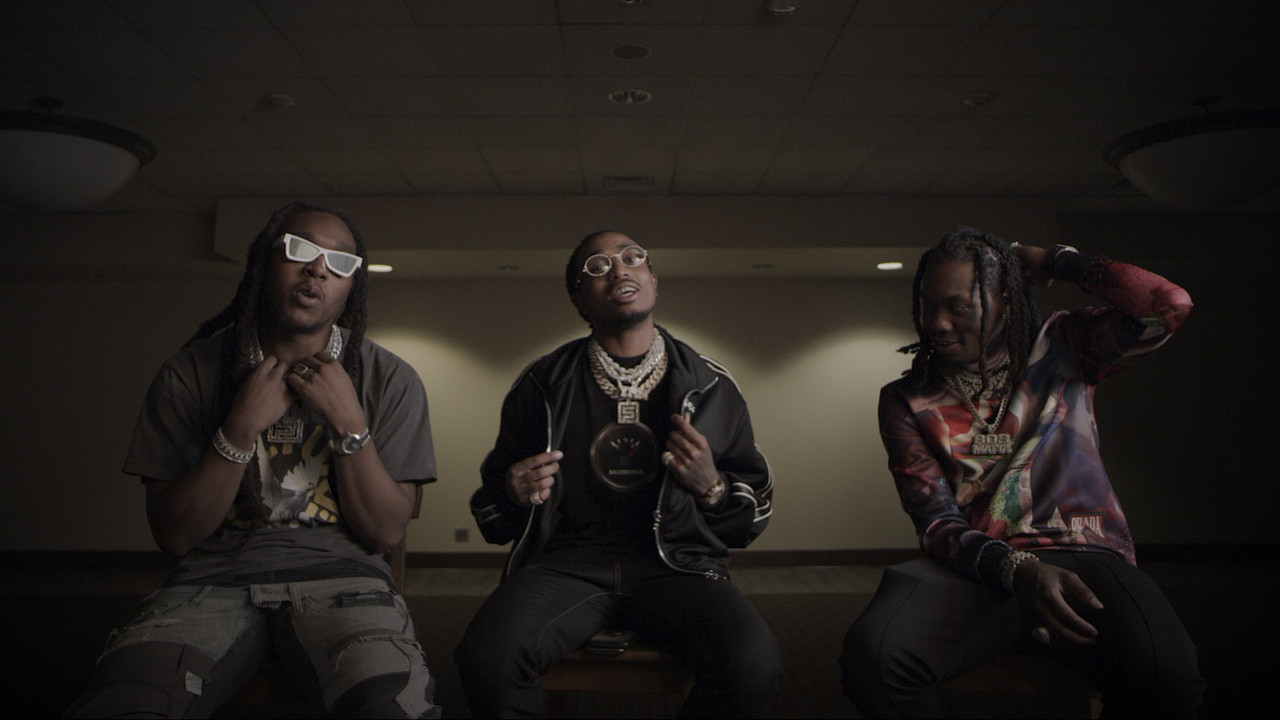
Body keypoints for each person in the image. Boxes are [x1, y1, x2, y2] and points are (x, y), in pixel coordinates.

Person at [65, 202, 441, 719]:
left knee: (392, 707)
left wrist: (350, 424)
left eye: (340, 262)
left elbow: (385, 532)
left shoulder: (389, 379)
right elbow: (175, 535)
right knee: (126, 704)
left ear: (351, 286)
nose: (318, 269)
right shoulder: (190, 373)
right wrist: (238, 429)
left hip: (345, 584)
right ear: (265, 260)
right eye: (301, 250)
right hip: (208, 586)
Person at [840, 227, 1204, 717]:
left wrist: (1056, 261)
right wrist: (1016, 569)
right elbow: (936, 523)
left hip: (1085, 552)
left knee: (1171, 678)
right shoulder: (907, 398)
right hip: (981, 567)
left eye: (959, 307)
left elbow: (1169, 304)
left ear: (1005, 302)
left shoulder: (1066, 346)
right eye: (928, 307)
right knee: (874, 659)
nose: (938, 324)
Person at [454, 230, 780, 718]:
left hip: (678, 568)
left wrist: (711, 488)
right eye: (598, 266)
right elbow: (492, 512)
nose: (619, 269)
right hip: (565, 567)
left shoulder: (710, 384)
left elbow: (751, 517)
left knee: (753, 666)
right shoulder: (542, 382)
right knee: (486, 658)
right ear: (579, 298)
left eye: (632, 258)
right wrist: (512, 490)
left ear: (653, 280)